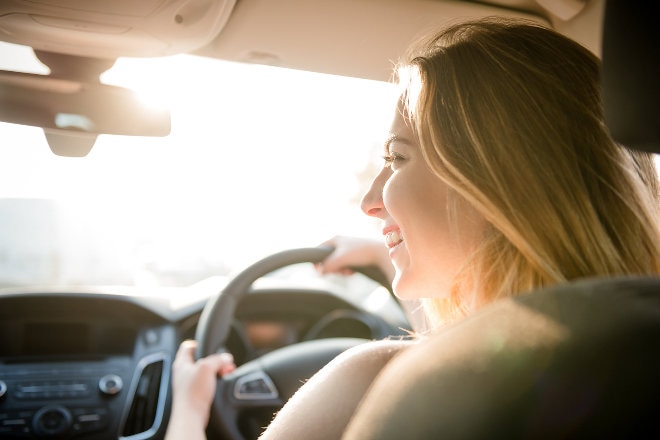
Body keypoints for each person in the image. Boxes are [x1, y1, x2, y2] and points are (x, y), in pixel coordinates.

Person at [165, 17, 660, 440]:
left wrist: (187, 412)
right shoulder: (632, 355)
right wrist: (386, 255)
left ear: (494, 181)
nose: (368, 202)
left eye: (397, 158)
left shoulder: (374, 382)